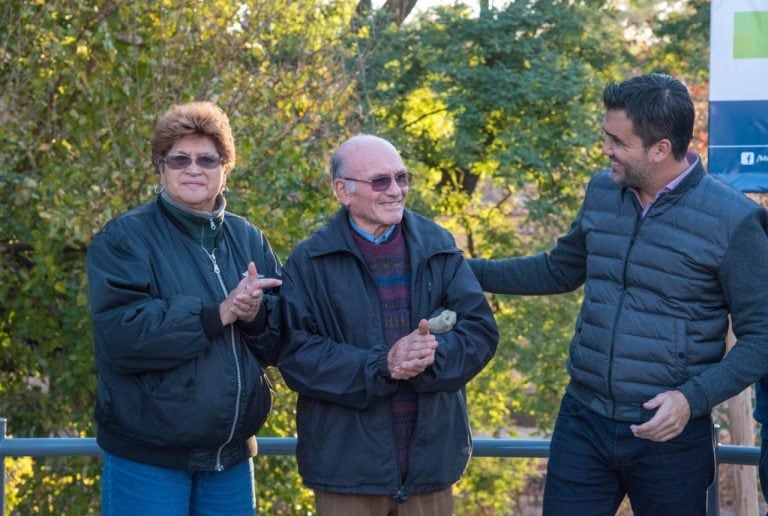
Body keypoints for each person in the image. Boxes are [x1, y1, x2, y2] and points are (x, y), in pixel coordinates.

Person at [469, 73, 768, 514]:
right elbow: (558, 270)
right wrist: (464, 271)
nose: (605, 149)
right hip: (583, 420)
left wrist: (692, 399)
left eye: (616, 141)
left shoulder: (736, 221)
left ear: (660, 149)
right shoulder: (602, 192)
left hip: (671, 437)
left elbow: (762, 337)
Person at [277, 134, 499, 515]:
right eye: (380, 181)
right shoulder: (309, 261)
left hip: (430, 467)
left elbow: (480, 332)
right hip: (347, 471)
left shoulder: (438, 245)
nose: (396, 190)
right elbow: (296, 355)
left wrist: (430, 357)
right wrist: (383, 365)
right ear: (343, 191)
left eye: (402, 177)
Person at [87, 101, 283, 515]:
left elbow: (284, 335)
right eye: (180, 159)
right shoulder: (125, 238)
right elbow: (122, 335)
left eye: (207, 159)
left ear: (225, 167)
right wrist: (218, 313)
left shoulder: (248, 238)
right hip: (148, 459)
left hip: (230, 458)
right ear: (161, 166)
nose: (194, 169)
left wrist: (256, 315)